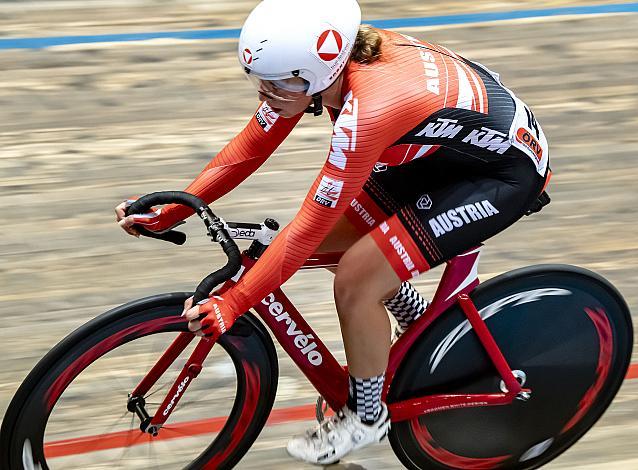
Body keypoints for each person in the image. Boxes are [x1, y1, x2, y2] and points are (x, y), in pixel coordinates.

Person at [115, 0, 551, 464]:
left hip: (499, 177)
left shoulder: (370, 110)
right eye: (259, 79)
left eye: (279, 81)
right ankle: (423, 328)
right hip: (437, 155)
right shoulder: (327, 68)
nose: (266, 92)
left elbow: (305, 228)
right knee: (340, 253)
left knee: (356, 280)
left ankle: (366, 418)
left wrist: (234, 302)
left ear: (319, 73)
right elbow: (248, 148)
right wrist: (173, 210)